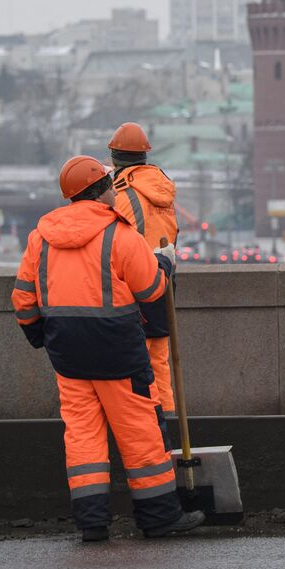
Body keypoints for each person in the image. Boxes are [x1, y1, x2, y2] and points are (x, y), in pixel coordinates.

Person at [11, 155, 203, 541]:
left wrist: (41, 337)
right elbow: (151, 290)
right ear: (101, 192)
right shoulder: (120, 234)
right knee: (139, 432)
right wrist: (163, 265)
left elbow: (23, 301)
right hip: (118, 351)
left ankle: (92, 524)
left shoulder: (40, 237)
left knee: (82, 437)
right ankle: (160, 518)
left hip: (68, 354)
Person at [108, 122, 180, 427]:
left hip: (135, 283)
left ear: (114, 157)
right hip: (165, 278)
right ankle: (169, 418)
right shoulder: (162, 187)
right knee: (160, 358)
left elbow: (112, 240)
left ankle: (148, 424)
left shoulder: (121, 193)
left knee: (134, 361)